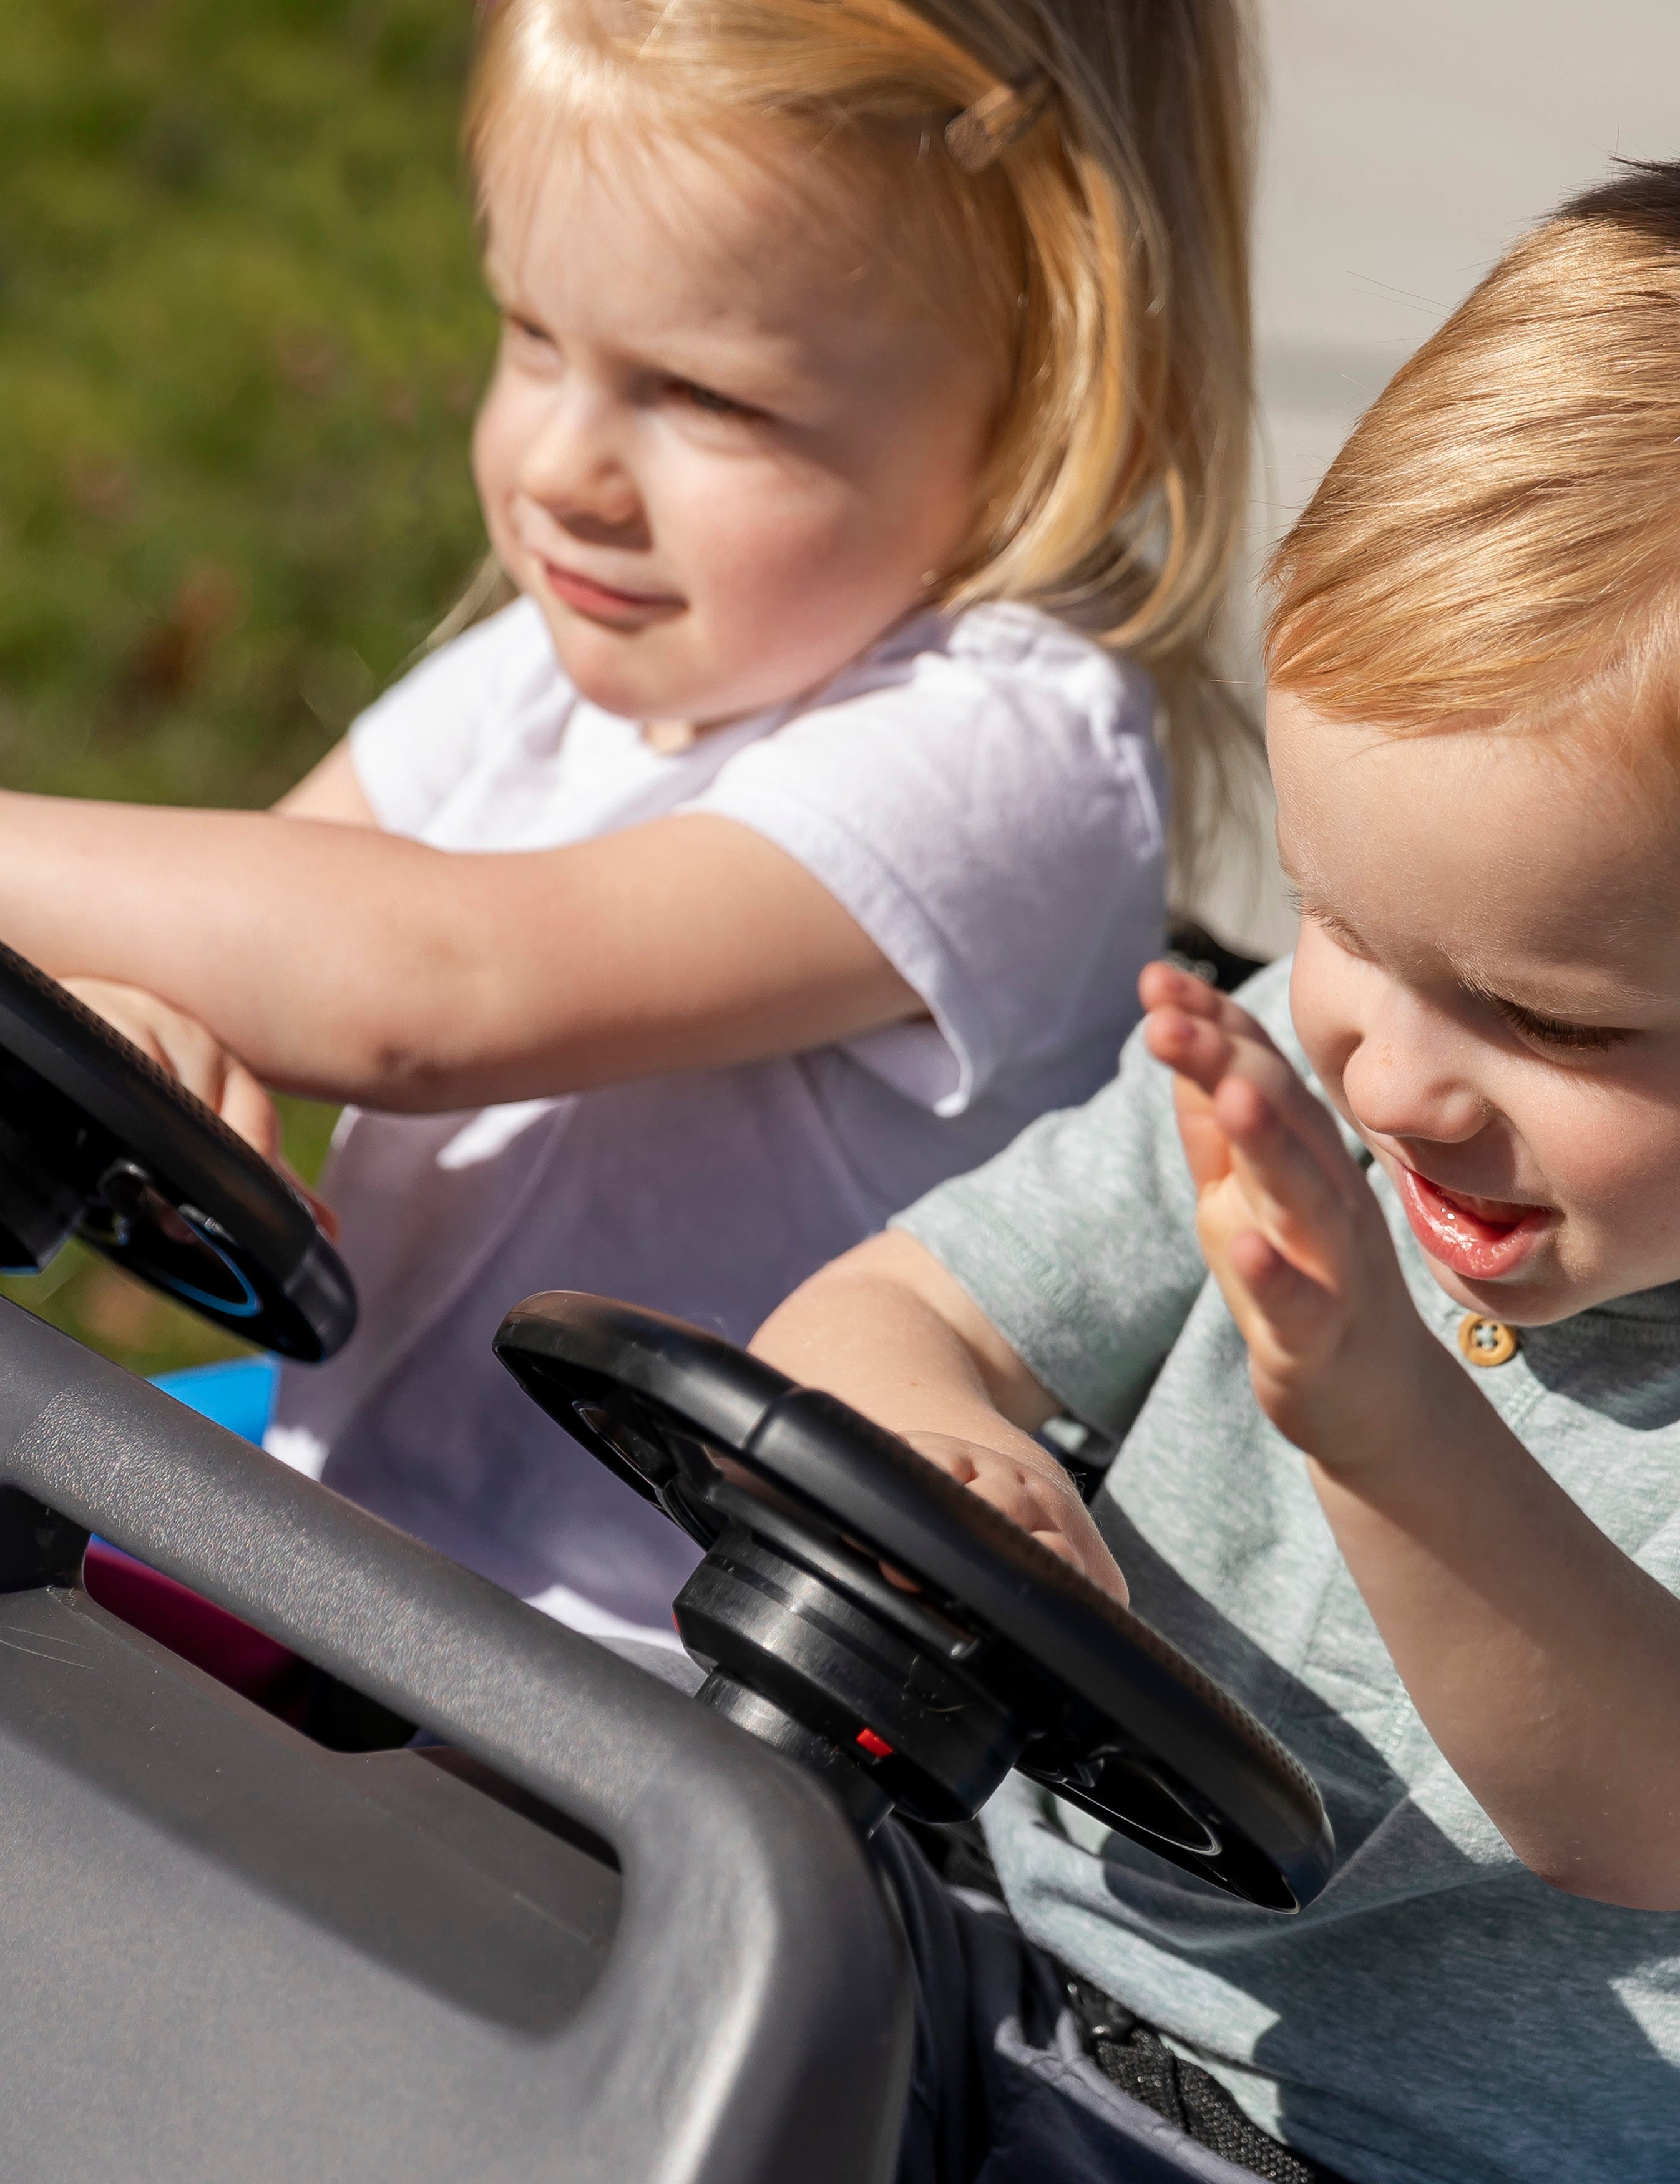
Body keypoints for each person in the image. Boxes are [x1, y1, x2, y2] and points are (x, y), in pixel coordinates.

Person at [748, 154, 1680, 2184]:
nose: (1401, 1078)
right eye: (1341, 920)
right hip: (981, 1978)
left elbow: (1673, 1801)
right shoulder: (1299, 1092)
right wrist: (945, 1447)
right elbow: (883, 1309)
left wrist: (1388, 1422)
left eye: (1554, 1018)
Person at [0, 0, 1256, 1640]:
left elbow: (425, 989)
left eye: (706, 397)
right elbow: (252, 917)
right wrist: (141, 1017)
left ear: (1055, 387)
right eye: (533, 335)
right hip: (349, 1550)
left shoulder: (1010, 754)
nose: (563, 471)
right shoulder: (574, 660)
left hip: (626, 1691)